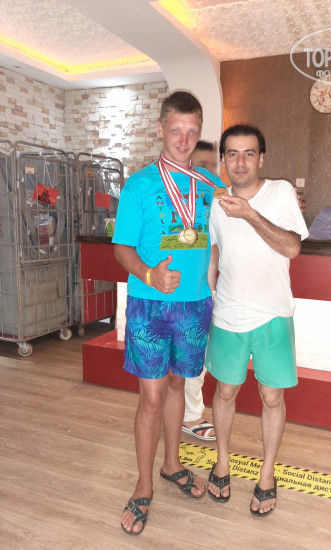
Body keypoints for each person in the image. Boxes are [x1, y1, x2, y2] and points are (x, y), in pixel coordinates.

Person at [113, 91, 224, 536]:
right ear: (161, 129)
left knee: (179, 384)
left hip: (194, 306)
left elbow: (223, 233)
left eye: (192, 132)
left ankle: (171, 464)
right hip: (150, 306)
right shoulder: (139, 185)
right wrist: (148, 273)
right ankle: (143, 485)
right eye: (176, 130)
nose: (183, 139)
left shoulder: (209, 185)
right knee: (152, 398)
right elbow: (121, 247)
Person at [205, 124, 309, 516]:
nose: (240, 162)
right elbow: (215, 249)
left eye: (249, 153)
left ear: (261, 158)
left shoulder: (280, 192)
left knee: (272, 396)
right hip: (228, 313)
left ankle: (267, 474)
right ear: (223, 160)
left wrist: (249, 214)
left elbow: (292, 247)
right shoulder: (216, 202)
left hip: (273, 314)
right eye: (232, 153)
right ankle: (222, 462)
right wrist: (209, 289)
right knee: (225, 391)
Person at [182, 140, 219, 442]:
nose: (209, 171)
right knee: (192, 359)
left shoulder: (216, 195)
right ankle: (190, 416)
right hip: (184, 294)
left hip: (210, 291)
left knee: (200, 358)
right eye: (202, 165)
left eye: (213, 165)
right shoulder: (182, 199)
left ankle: (185, 412)